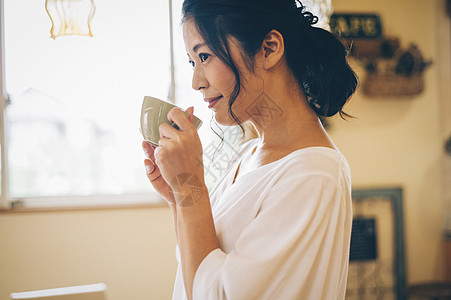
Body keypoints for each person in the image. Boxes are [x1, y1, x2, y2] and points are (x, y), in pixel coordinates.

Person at [142, 0, 358, 299]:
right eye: (193, 62)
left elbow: (219, 294)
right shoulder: (250, 153)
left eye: (204, 56)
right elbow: (199, 266)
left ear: (269, 48)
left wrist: (190, 185)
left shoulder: (313, 174)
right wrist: (178, 196)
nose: (196, 82)